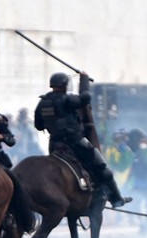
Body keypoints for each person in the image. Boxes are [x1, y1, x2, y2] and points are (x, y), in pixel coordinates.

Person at [33, 71, 126, 209]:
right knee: (103, 168)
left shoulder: (43, 103)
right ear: (64, 85)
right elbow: (85, 98)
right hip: (75, 142)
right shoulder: (66, 100)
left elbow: (39, 126)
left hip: (55, 145)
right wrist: (84, 79)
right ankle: (116, 198)